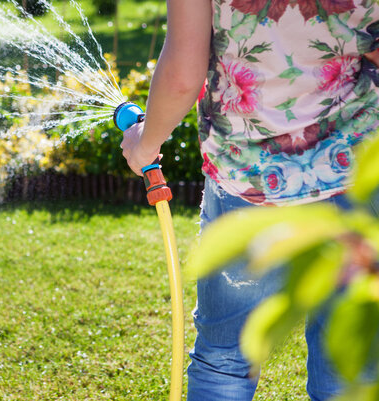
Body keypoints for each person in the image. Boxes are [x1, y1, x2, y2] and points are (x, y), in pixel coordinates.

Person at [121, 1, 379, 400]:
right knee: (347, 363)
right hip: (354, 175)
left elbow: (181, 76)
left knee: (225, 359)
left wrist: (145, 144)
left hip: (247, 179)